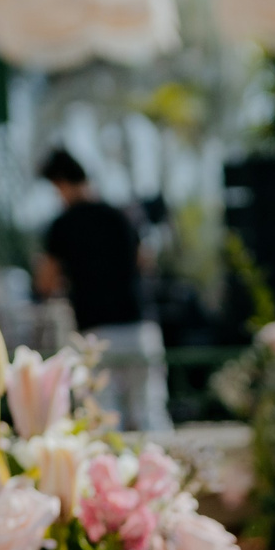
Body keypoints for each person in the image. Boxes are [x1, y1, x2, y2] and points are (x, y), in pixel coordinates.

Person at [34, 147, 169, 431]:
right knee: (150, 417)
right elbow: (144, 260)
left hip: (96, 335)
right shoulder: (120, 215)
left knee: (103, 422)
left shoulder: (62, 225)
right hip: (139, 329)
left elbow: (45, 281)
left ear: (60, 183)